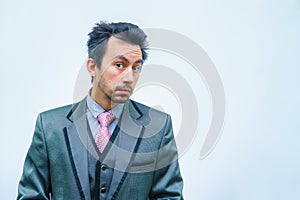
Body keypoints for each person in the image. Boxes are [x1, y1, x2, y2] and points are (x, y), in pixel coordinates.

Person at [17, 21, 184, 200]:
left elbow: (169, 197)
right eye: (120, 65)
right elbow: (30, 196)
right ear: (92, 66)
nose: (129, 77)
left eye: (136, 67)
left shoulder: (158, 127)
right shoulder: (50, 126)